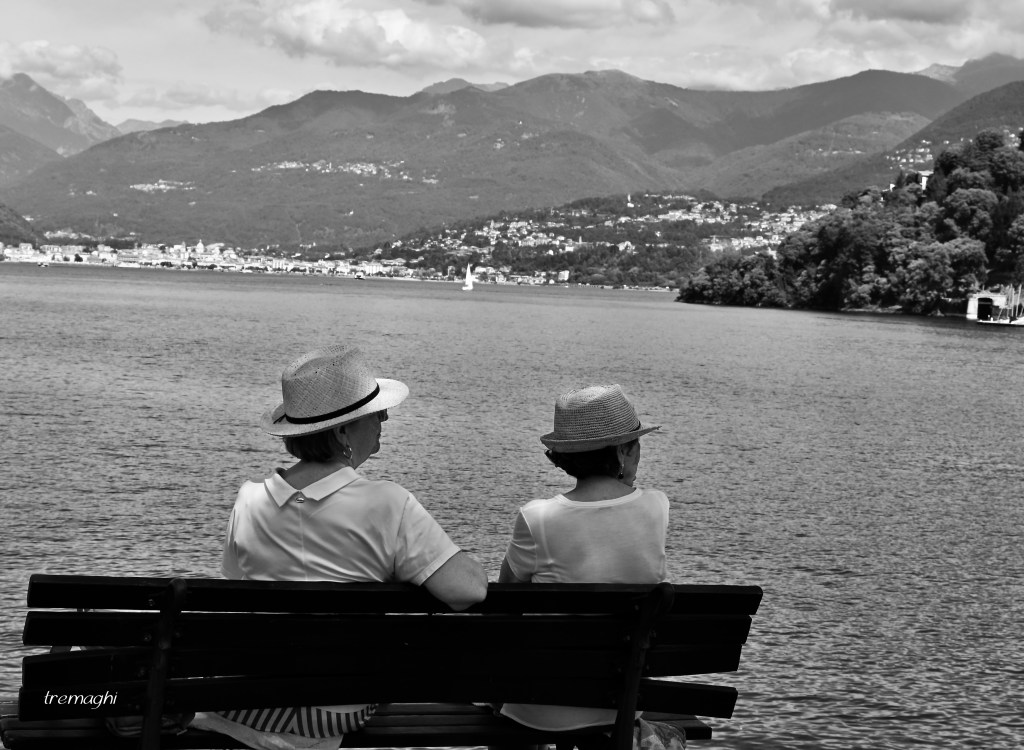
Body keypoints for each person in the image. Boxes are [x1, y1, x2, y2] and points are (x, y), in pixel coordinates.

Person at [199, 344, 488, 748]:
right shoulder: (387, 502)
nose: (385, 419)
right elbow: (468, 591)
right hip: (335, 709)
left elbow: (233, 590)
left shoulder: (248, 499)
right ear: (341, 432)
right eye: (375, 414)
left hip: (247, 700)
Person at [497, 384, 668, 734]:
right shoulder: (656, 507)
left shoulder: (536, 518)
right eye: (636, 446)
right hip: (621, 704)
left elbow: (506, 597)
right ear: (622, 452)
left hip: (538, 709)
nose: (639, 455)